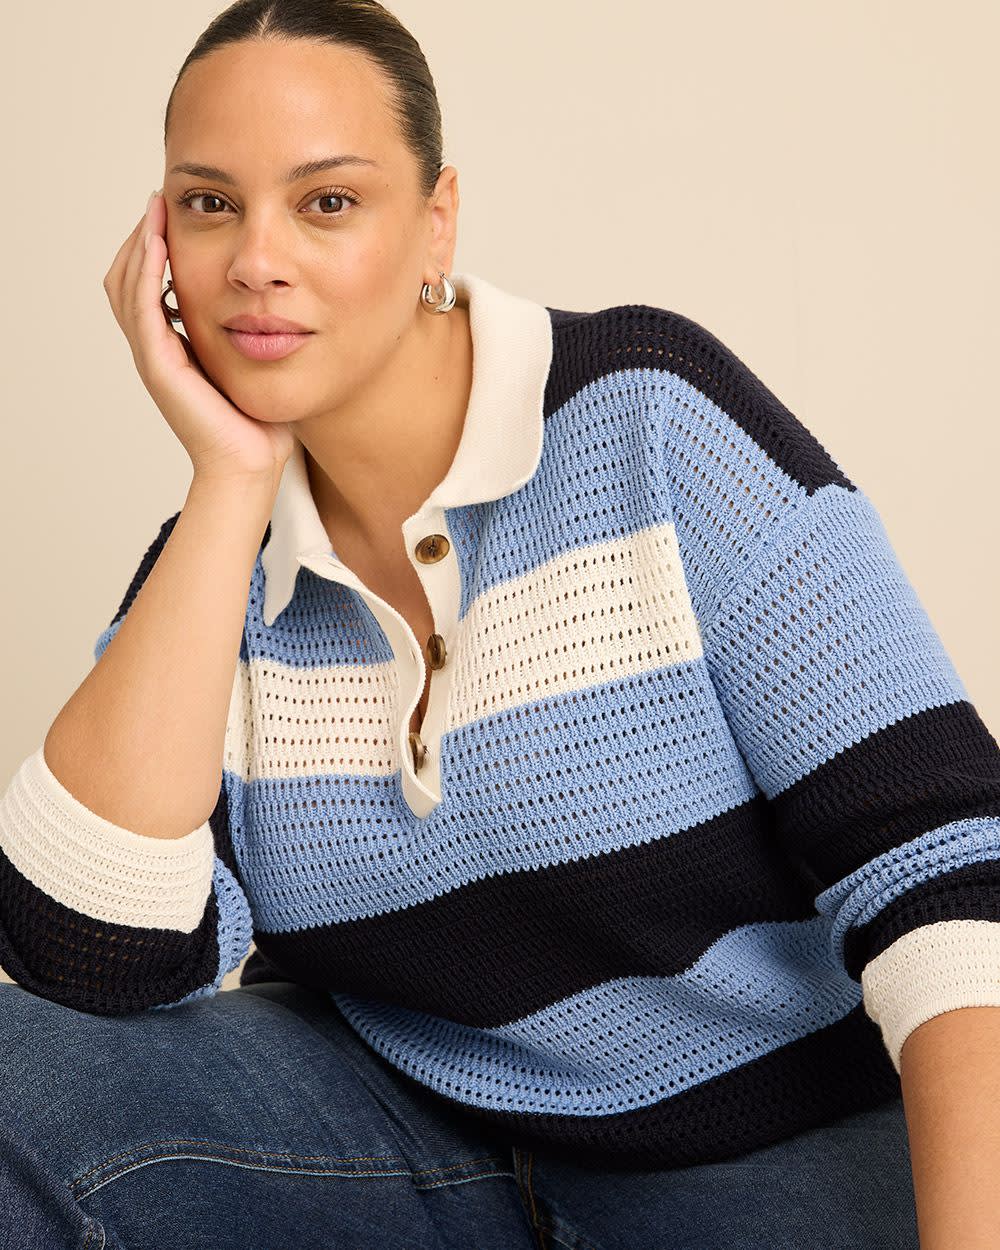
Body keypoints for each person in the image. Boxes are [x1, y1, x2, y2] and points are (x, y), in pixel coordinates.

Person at [1, 1, 995, 1246]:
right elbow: (85, 967)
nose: (256, 258)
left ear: (437, 222)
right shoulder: (214, 574)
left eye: (326, 201)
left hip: (767, 1143)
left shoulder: (649, 418)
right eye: (209, 204)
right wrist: (231, 479)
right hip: (421, 1153)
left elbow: (947, 876)